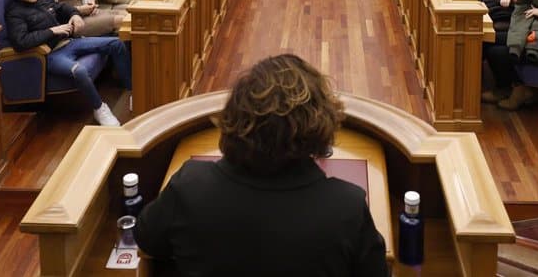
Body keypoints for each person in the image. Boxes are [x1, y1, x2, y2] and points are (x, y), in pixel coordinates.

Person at [135, 54, 387, 277]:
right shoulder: (347, 207)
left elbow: (147, 239)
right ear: (319, 127)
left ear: (235, 117)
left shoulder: (190, 186)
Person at [5, 0, 129, 126]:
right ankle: (100, 109)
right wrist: (52, 31)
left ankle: (131, 91)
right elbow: (21, 42)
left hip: (68, 42)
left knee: (116, 43)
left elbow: (62, 8)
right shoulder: (15, 12)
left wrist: (74, 15)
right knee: (79, 71)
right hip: (50, 54)